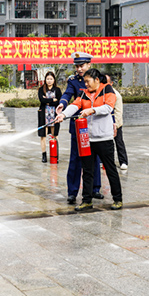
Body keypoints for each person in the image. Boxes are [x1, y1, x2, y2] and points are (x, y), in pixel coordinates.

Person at [55, 68, 123, 211]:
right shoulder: (84, 94)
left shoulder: (107, 90)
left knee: (110, 169)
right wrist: (63, 115)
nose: (86, 84)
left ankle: (117, 199)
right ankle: (87, 200)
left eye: (88, 81)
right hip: (88, 139)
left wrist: (92, 110)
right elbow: (75, 105)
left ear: (97, 80)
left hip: (104, 138)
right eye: (84, 82)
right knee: (87, 170)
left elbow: (108, 107)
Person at [56, 52, 103, 204]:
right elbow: (68, 94)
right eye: (76, 66)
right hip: (78, 126)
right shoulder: (73, 81)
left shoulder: (99, 80)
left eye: (81, 65)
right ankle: (72, 192)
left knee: (94, 157)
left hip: (94, 125)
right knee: (75, 160)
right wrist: (62, 104)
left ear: (89, 64)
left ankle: (95, 189)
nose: (79, 69)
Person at [37, 71, 62, 163]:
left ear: (54, 80)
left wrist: (48, 101)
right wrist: (52, 100)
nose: (49, 81)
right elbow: (42, 100)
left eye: (51, 79)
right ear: (45, 80)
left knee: (54, 135)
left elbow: (58, 102)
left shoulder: (57, 90)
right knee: (43, 136)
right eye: (47, 79)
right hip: (44, 115)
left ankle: (55, 155)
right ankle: (44, 155)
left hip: (54, 115)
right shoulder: (41, 89)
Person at [105, 74, 128, 170]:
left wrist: (116, 126)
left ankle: (123, 161)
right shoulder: (101, 93)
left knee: (119, 142)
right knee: (105, 144)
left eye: (107, 82)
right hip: (105, 124)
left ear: (111, 83)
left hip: (115, 123)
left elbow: (118, 112)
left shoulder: (116, 94)